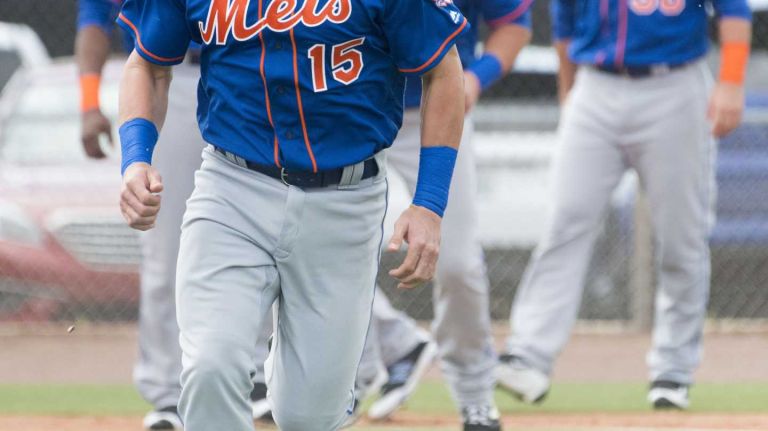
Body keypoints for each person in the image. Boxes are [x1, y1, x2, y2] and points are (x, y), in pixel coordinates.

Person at [115, 0, 469, 429]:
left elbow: (443, 70)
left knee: (309, 417)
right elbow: (146, 65)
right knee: (211, 364)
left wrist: (429, 205)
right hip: (232, 189)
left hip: (346, 203)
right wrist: (135, 158)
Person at [496, 0, 752, 410]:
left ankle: (673, 370)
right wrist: (569, 93)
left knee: (681, 237)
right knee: (565, 222)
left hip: (675, 84)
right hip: (596, 86)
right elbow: (563, 24)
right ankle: (528, 354)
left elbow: (734, 9)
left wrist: (732, 81)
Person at [76, 1, 272, 428]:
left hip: (247, 71)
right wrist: (89, 103)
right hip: (168, 75)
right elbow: (93, 21)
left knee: (264, 227)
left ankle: (255, 375)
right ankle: (167, 392)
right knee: (164, 242)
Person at [349, 2, 533, 430]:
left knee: (458, 264)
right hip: (355, 111)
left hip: (436, 109)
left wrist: (477, 75)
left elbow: (514, 26)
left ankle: (474, 391)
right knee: (318, 252)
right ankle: (378, 355)